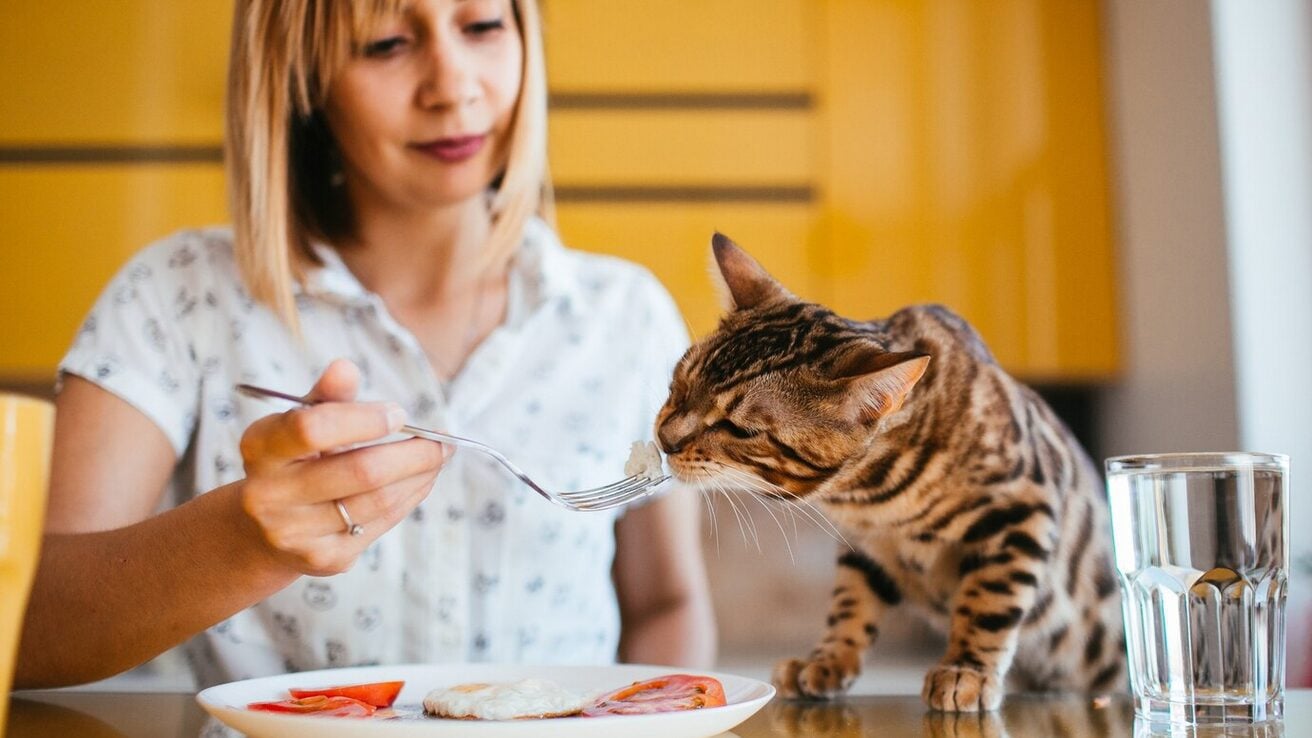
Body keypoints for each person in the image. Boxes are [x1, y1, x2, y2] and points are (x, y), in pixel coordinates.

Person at [16, 0, 715, 689]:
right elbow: (25, 628)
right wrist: (244, 542)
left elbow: (665, 604)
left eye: (482, 26)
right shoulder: (175, 298)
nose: (453, 87)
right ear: (299, 77)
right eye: (385, 43)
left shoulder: (625, 315)